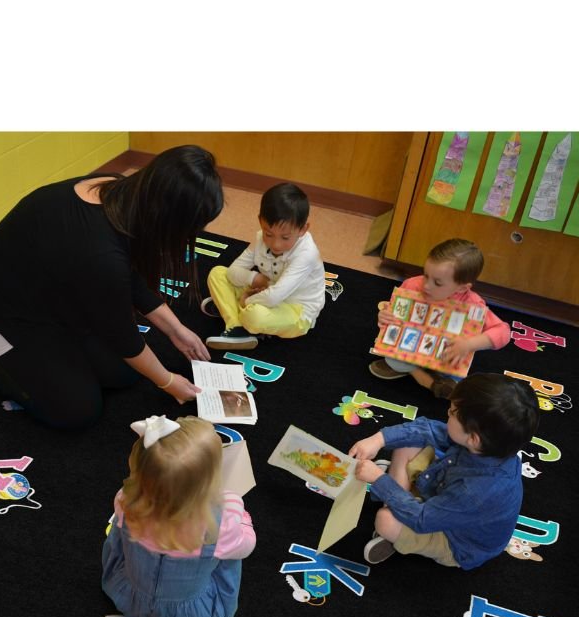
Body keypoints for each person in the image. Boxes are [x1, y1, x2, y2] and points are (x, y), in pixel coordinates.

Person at [0, 145, 224, 428]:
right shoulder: (99, 254)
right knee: (76, 410)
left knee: (125, 374)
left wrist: (176, 330)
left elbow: (129, 275)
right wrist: (168, 382)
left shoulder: (120, 192)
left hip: (57, 292)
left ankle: (51, 355)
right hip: (4, 311)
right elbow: (121, 333)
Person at [349, 373, 539, 569]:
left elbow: (422, 519)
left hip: (456, 540)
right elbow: (428, 430)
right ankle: (398, 499)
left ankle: (395, 521)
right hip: (445, 496)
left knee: (385, 521)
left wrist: (380, 480)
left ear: (473, 439)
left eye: (452, 412)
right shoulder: (489, 445)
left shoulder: (474, 491)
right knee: (408, 442)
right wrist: (379, 439)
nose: (447, 413)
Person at [101, 415, 256, 617]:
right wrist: (236, 506)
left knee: (119, 527)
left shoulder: (125, 500)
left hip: (128, 597)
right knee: (229, 553)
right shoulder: (220, 524)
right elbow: (247, 545)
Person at [369, 238, 510, 399]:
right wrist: (385, 317)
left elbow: (504, 332)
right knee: (393, 359)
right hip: (410, 346)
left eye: (437, 282)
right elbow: (394, 312)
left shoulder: (473, 304)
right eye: (426, 275)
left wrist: (469, 344)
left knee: (455, 372)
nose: (427, 285)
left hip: (444, 356)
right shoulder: (412, 285)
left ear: (462, 287)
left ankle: (421, 374)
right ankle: (423, 377)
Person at [202, 182, 325, 350]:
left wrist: (247, 300)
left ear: (303, 229)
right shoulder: (260, 238)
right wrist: (255, 278)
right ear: (260, 221)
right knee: (218, 273)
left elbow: (274, 297)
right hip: (266, 291)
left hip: (296, 310)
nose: (276, 244)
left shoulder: (307, 254)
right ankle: (236, 326)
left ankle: (233, 309)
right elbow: (232, 271)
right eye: (269, 234)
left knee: (255, 317)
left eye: (285, 237)